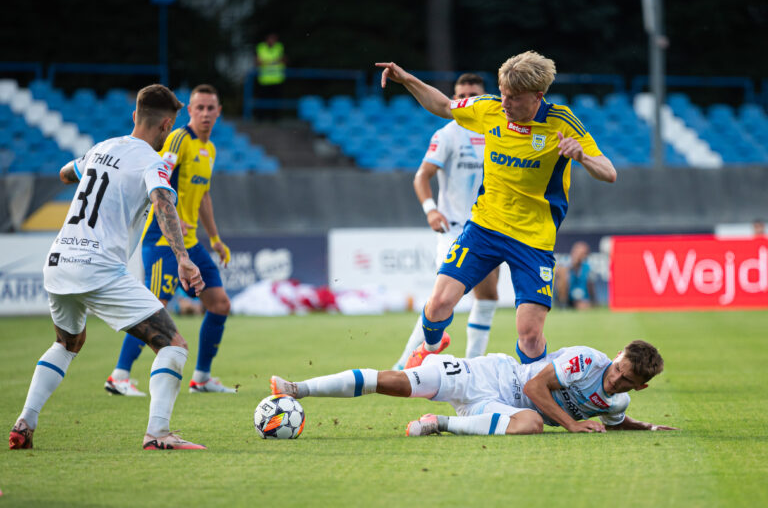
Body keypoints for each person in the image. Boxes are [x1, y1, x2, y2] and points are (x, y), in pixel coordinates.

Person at [375, 52, 616, 368]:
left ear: (537, 97)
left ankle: (534, 402)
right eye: (503, 94)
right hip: (484, 228)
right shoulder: (489, 108)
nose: (505, 104)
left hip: (533, 239)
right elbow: (444, 106)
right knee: (438, 305)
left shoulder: (562, 122)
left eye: (513, 99)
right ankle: (431, 345)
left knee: (529, 337)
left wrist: (582, 156)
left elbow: (609, 172)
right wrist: (406, 79)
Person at [10, 84, 207, 450]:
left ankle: (25, 422)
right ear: (166, 126)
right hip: (98, 266)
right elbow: (163, 201)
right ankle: (158, 434)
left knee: (68, 343)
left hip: (58, 261)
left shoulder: (101, 148)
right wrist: (182, 256)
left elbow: (65, 173)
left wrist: (90, 170)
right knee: (173, 346)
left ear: (134, 116)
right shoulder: (153, 161)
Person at [104, 84, 235, 397]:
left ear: (218, 112)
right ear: (188, 111)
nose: (205, 113)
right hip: (162, 238)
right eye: (199, 108)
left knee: (219, 304)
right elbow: (157, 178)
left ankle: (201, 378)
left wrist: (215, 238)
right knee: (155, 307)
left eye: (210, 108)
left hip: (191, 242)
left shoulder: (210, 150)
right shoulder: (178, 138)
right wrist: (172, 213)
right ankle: (119, 376)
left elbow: (203, 197)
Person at [271, 340, 678, 436]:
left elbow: (616, 418)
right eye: (618, 367)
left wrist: (649, 429)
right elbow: (537, 386)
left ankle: (442, 423)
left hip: (498, 409)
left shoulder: (617, 398)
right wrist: (572, 425)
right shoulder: (587, 360)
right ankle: (298, 387)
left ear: (638, 386)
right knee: (395, 382)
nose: (614, 377)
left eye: (624, 379)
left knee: (531, 426)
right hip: (494, 377)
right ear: (617, 355)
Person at [393, 73, 500, 370]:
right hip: (454, 228)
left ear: (483, 98)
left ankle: (474, 365)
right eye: (461, 95)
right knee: (441, 298)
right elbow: (421, 176)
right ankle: (404, 363)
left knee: (488, 294)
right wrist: (430, 209)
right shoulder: (448, 133)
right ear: (455, 99)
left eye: (473, 95)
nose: (466, 100)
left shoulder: (498, 130)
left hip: (490, 226)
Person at [555, 240, 595, 309]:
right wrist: (571, 266)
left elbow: (591, 287)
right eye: (577, 252)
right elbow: (557, 273)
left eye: (583, 253)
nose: (579, 255)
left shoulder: (587, 267)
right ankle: (563, 304)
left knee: (584, 306)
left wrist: (593, 302)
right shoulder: (565, 263)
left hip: (581, 298)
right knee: (563, 274)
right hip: (567, 297)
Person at [254, 33, 286, 121]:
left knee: (276, 100)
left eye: (273, 39)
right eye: (270, 39)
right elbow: (258, 62)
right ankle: (260, 118)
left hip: (277, 79)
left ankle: (275, 118)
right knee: (262, 99)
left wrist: (266, 62)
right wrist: (274, 62)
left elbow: (283, 60)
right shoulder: (261, 47)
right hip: (264, 79)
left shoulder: (279, 47)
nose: (272, 41)